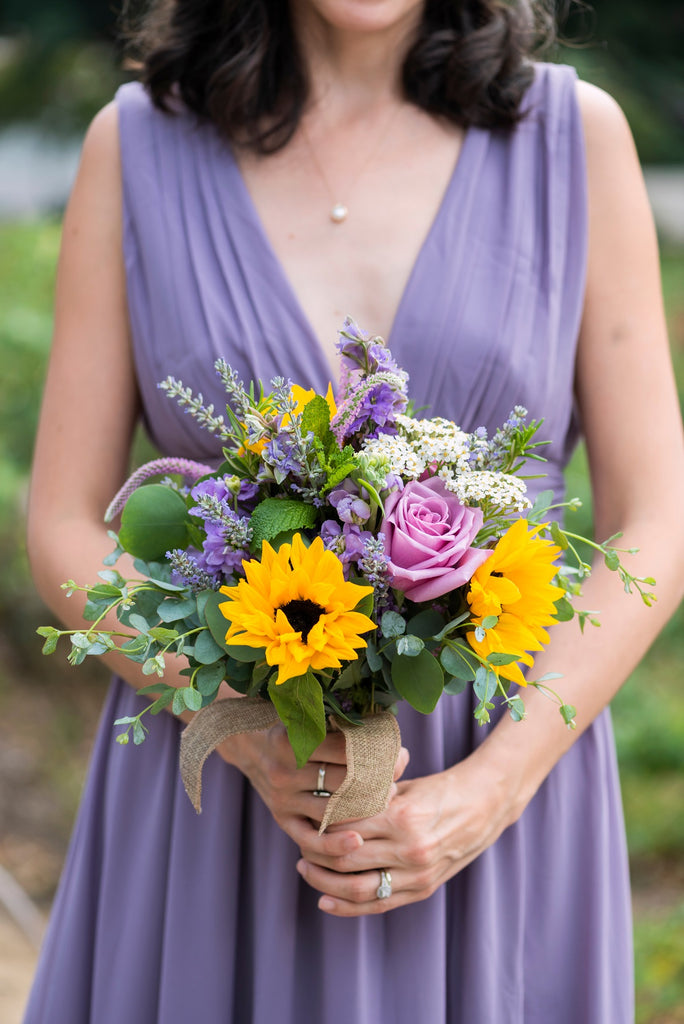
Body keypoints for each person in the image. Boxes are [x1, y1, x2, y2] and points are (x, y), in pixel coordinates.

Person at [24, 1, 684, 1022]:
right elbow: (65, 522)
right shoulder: (138, 147)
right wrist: (238, 729)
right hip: (221, 799)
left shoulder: (575, 139)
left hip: (495, 778)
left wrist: (493, 788)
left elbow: (656, 519)